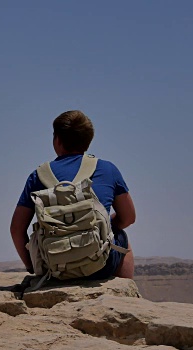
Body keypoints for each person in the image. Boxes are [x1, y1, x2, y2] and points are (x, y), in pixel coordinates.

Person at [10, 110, 136, 279]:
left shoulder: (38, 175)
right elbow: (128, 218)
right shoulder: (107, 169)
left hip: (53, 266)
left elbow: (16, 229)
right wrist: (103, 225)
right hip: (99, 266)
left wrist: (32, 266)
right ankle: (125, 298)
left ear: (57, 140)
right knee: (121, 237)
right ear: (88, 141)